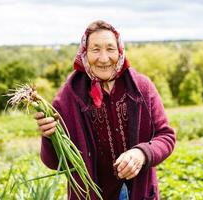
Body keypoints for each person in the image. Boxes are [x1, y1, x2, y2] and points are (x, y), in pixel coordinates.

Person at [35, 20, 176, 200]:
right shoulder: (67, 99)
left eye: (110, 49)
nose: (103, 58)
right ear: (84, 53)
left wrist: (142, 153)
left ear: (120, 51)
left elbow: (166, 136)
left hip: (140, 193)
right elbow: (54, 163)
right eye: (95, 49)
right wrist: (49, 137)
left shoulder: (142, 88)